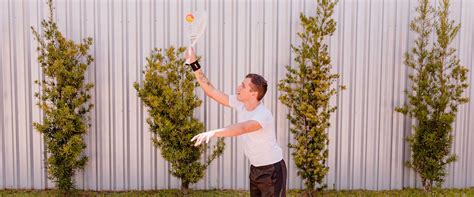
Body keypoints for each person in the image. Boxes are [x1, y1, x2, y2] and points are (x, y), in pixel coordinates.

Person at [185, 47, 287, 197]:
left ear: (253, 93)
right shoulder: (241, 104)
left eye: (243, 86)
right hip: (255, 169)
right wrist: (194, 63)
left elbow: (241, 128)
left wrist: (213, 132)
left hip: (272, 170)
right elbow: (211, 91)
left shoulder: (263, 115)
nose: (238, 87)